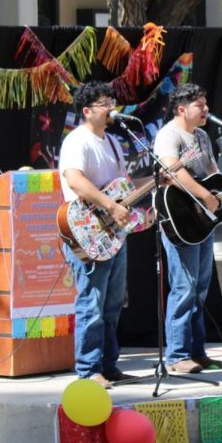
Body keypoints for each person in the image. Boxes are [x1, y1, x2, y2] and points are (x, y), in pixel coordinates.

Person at [153, 83, 222, 373]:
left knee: (200, 288)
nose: (206, 110)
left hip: (201, 220)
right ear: (182, 109)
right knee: (183, 287)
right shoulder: (169, 135)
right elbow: (173, 171)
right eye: (199, 105)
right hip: (179, 218)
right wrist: (204, 195)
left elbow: (212, 175)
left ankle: (196, 351)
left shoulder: (202, 136)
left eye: (206, 104)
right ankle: (177, 356)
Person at [58, 81, 137, 388]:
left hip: (113, 233)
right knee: (92, 300)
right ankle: (89, 370)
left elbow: (121, 185)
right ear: (87, 111)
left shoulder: (114, 141)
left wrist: (159, 181)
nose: (111, 107)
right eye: (105, 103)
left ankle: (109, 364)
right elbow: (75, 180)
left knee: (113, 302)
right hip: (87, 231)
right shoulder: (77, 141)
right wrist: (109, 206)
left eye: (112, 101)